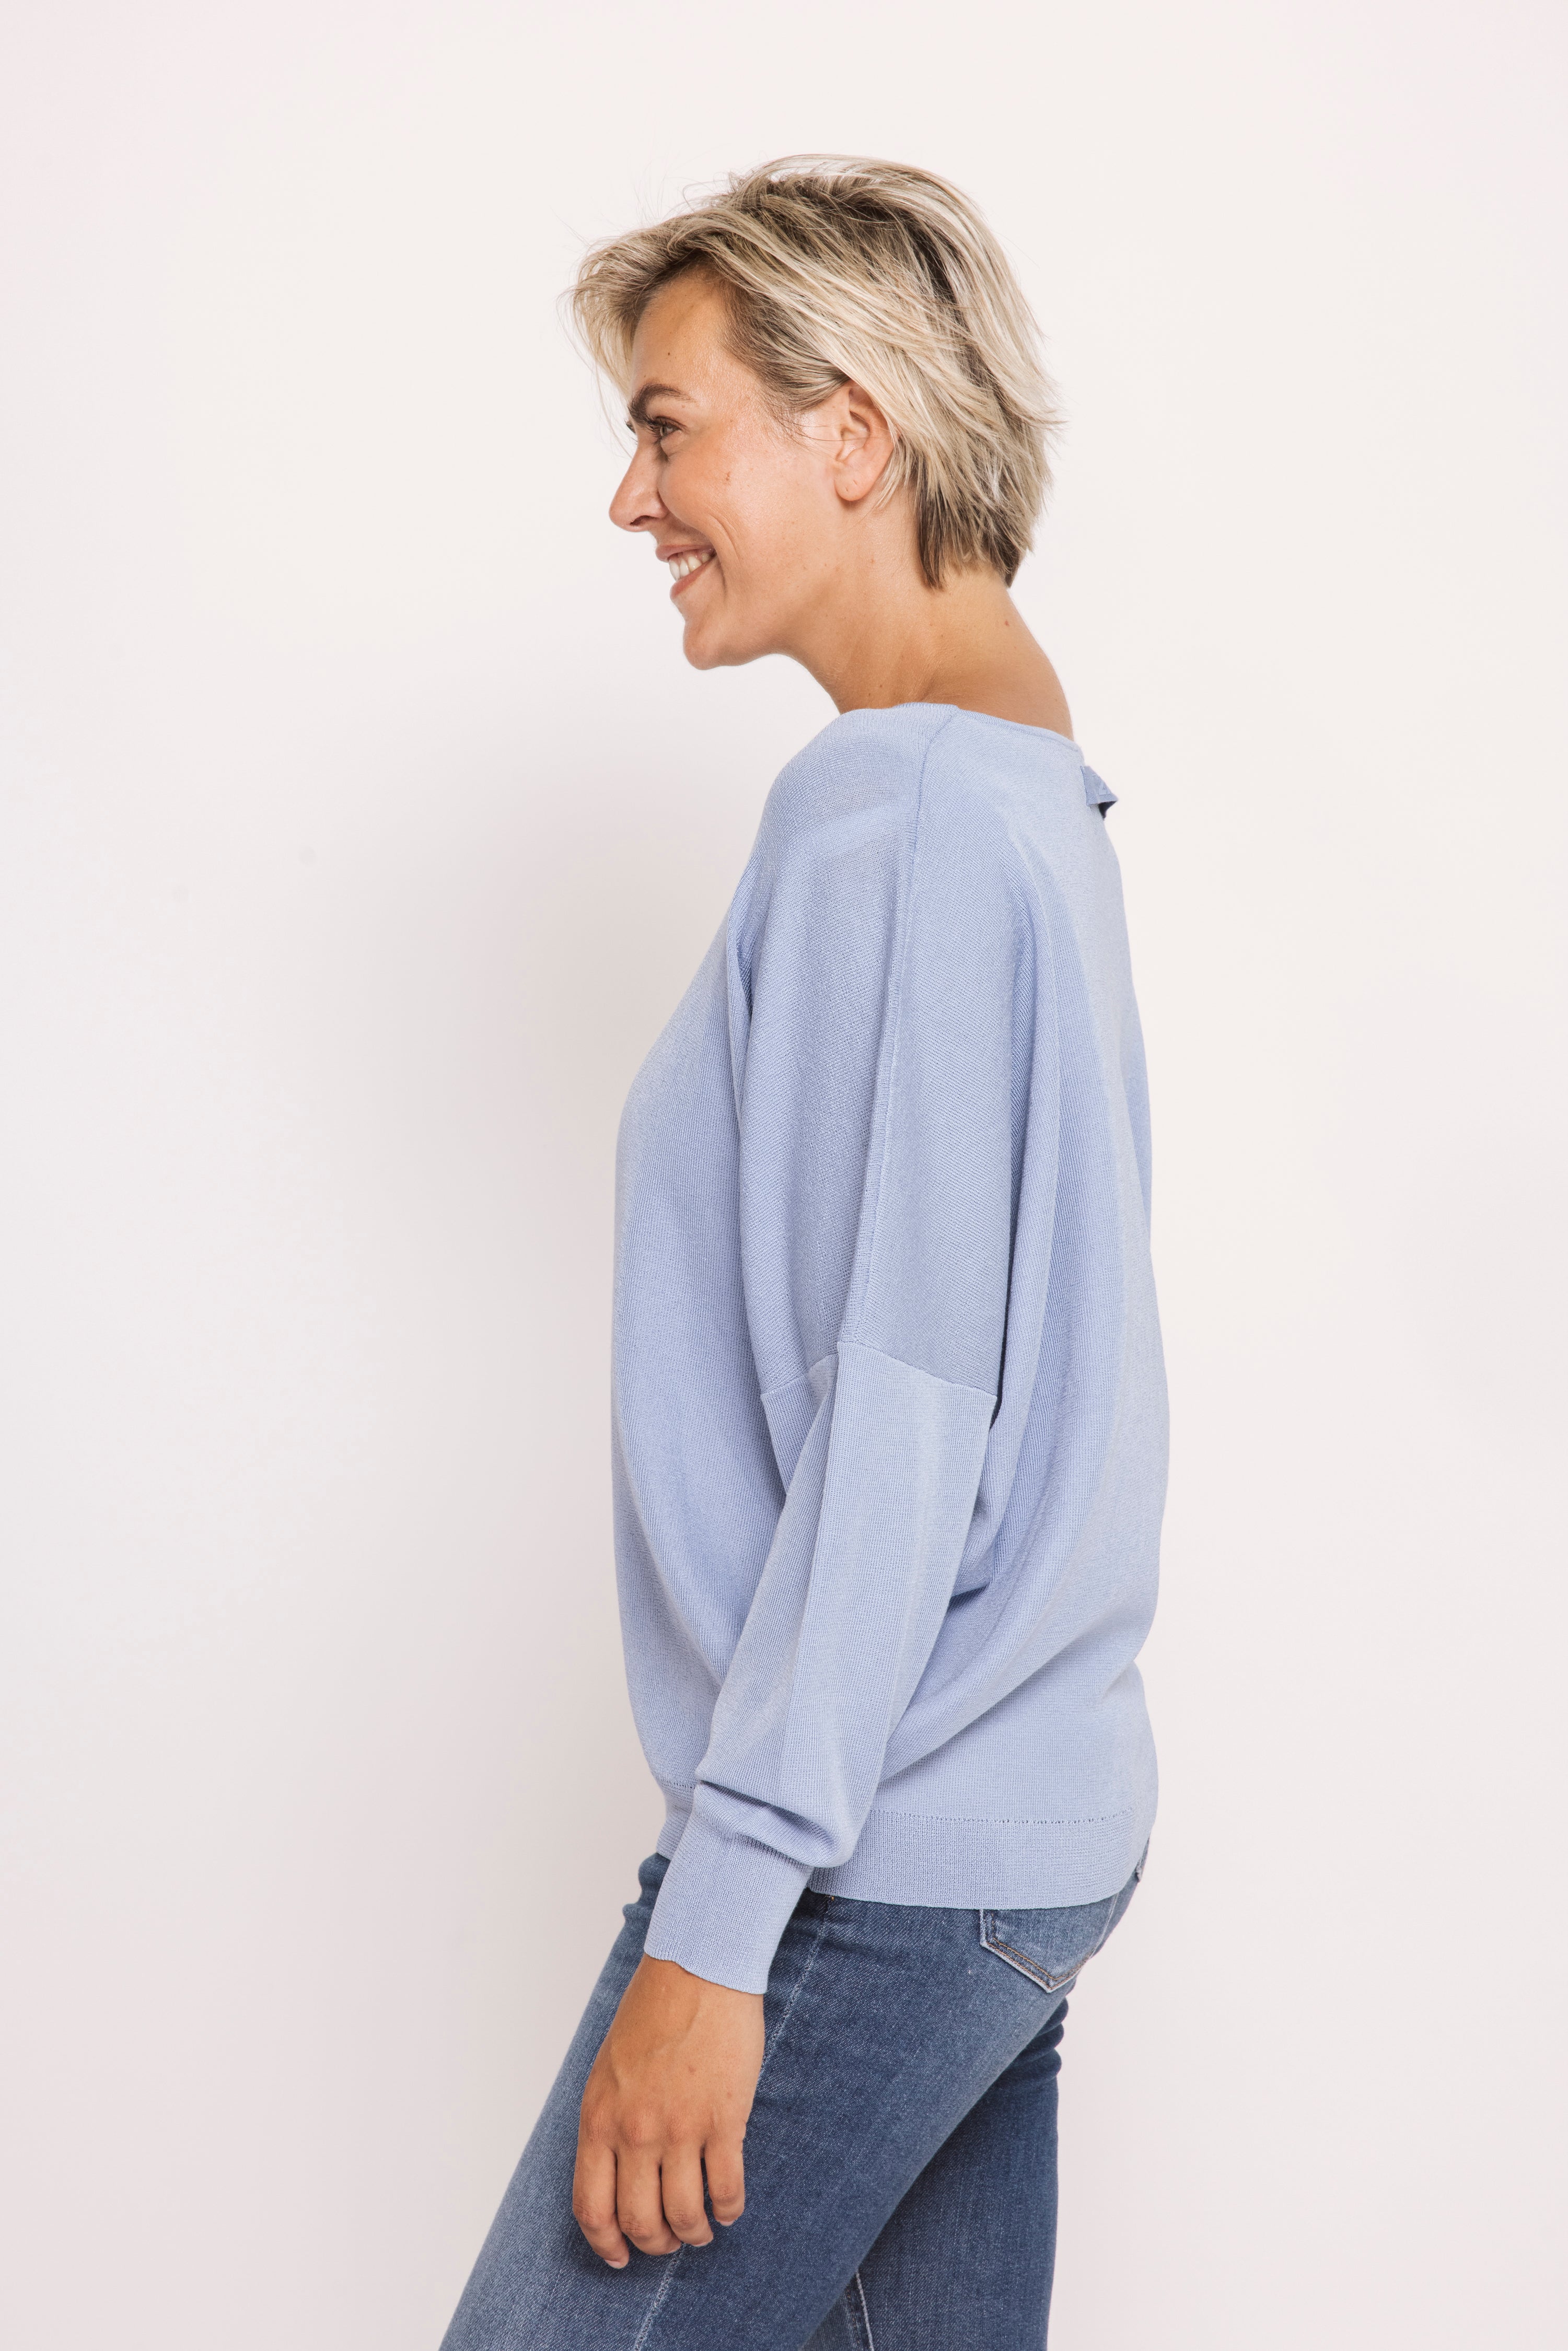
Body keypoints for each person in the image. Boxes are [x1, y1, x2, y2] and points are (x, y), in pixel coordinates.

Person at [439, 156, 1166, 2350]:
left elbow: (906, 1406)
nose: (630, 499)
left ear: (853, 433)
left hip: (870, 1848)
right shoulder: (1022, 788)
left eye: (669, 430)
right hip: (1009, 1831)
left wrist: (723, 1914)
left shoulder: (898, 813)